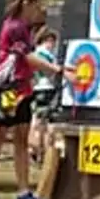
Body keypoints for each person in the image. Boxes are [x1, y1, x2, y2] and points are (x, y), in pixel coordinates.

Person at [0, 0, 71, 199]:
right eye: (38, 6)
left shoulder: (24, 29)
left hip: (23, 90)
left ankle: (23, 190)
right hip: (8, 91)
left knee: (20, 140)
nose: (41, 11)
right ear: (27, 5)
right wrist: (57, 70)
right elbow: (28, 58)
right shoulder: (15, 27)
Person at [27, 26, 62, 166]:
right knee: (43, 124)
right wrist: (58, 69)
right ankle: (39, 152)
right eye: (51, 41)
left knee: (41, 122)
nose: (53, 45)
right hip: (44, 90)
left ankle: (39, 152)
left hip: (41, 89)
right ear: (45, 40)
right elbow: (49, 71)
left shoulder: (39, 53)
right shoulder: (43, 53)